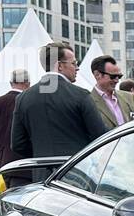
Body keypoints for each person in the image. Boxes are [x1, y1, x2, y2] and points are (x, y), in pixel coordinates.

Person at [11, 42, 110, 180]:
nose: (77, 68)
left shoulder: (23, 98)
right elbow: (100, 136)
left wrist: (41, 154)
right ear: (59, 66)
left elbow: (17, 144)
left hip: (42, 176)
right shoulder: (80, 95)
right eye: (74, 63)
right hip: (77, 174)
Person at [0, 67, 30, 177]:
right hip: (25, 163)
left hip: (2, 162)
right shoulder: (30, 102)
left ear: (10, 83)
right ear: (28, 83)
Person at [89, 55, 134, 129]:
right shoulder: (88, 102)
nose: (117, 80)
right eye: (113, 76)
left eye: (119, 76)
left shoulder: (130, 98)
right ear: (97, 75)